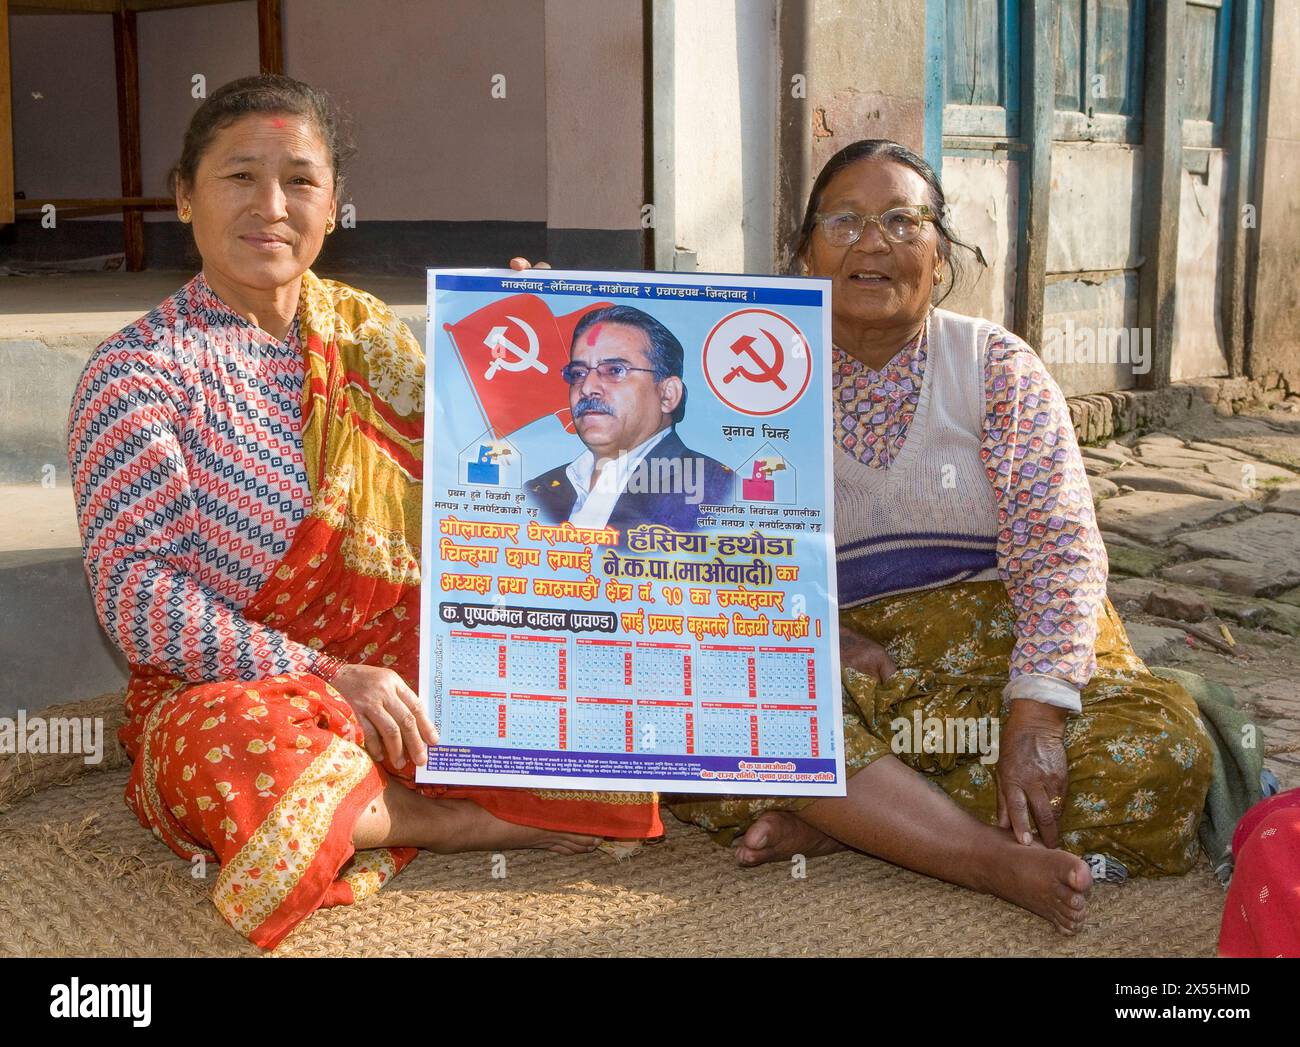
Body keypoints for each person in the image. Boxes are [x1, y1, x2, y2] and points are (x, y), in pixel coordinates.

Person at [66, 75, 660, 951]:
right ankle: (461, 818)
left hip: (391, 659)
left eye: (300, 180)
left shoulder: (367, 333)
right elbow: (135, 594)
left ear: (335, 204)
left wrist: (535, 342)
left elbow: (482, 478)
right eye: (239, 178)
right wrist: (325, 672)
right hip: (236, 690)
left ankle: (385, 798)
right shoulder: (137, 374)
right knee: (235, 746)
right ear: (184, 196)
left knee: (606, 678)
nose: (271, 207)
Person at [667, 139, 1214, 935]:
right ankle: (983, 854)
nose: (873, 242)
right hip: (840, 671)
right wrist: (818, 634)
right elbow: (690, 546)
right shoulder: (744, 372)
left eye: (902, 220)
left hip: (1000, 662)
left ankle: (860, 818)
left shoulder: (995, 368)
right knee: (704, 718)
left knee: (1162, 753)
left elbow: (1059, 553)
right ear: (803, 252)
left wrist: (1034, 718)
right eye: (844, 220)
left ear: (942, 251)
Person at [525, 304, 732, 532]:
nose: (587, 388)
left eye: (615, 370)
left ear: (667, 394)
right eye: (578, 374)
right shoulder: (537, 491)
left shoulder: (719, 491)